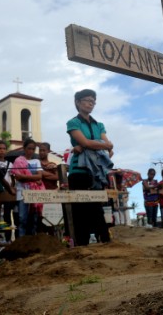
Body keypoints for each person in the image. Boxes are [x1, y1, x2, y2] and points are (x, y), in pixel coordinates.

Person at [66, 89, 114, 245]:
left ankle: (105, 241)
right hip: (78, 170)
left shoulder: (99, 124)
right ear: (78, 102)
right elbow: (92, 143)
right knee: (80, 209)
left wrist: (88, 145)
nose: (90, 103)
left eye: (93, 101)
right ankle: (81, 244)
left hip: (96, 171)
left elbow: (109, 149)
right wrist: (100, 145)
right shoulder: (73, 122)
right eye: (87, 100)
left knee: (97, 207)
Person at [11, 138, 44, 236]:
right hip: (22, 192)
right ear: (24, 148)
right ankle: (21, 240)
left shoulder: (37, 161)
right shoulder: (18, 161)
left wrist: (25, 177)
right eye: (29, 148)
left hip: (34, 192)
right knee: (22, 218)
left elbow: (40, 176)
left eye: (33, 149)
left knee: (33, 218)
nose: (31, 151)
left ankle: (32, 240)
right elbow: (18, 178)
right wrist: (34, 178)